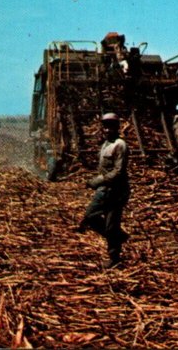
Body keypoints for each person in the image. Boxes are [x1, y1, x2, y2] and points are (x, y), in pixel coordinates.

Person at [77, 112, 130, 268]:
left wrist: (96, 181)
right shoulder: (105, 144)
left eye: (111, 127)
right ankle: (119, 237)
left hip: (116, 191)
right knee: (90, 217)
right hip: (105, 189)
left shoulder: (120, 145)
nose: (107, 130)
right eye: (105, 127)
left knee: (111, 225)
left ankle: (114, 258)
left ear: (117, 128)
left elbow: (118, 171)